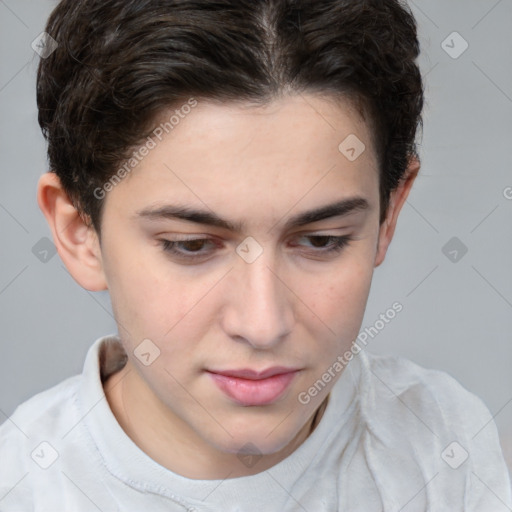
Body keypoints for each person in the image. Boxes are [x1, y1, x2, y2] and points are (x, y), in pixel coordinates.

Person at [1, 0, 510, 510]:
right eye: (191, 245)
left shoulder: (445, 444)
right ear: (79, 233)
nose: (263, 325)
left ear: (388, 215)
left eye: (321, 240)